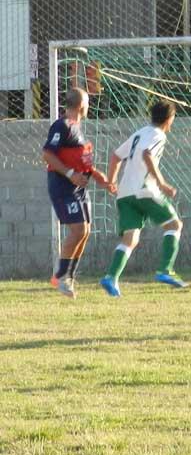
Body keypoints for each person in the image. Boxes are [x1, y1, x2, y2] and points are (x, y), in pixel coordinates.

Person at [99, 100, 186, 297]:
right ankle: (165, 270)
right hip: (144, 190)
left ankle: (111, 278)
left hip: (125, 194)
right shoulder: (158, 135)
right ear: (169, 119)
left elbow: (115, 156)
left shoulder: (140, 133)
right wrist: (162, 183)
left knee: (130, 239)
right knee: (174, 225)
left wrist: (112, 181)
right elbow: (147, 155)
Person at [42, 87, 114, 299]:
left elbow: (81, 162)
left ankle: (68, 277)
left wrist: (100, 177)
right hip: (63, 185)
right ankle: (61, 276)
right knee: (78, 230)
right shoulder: (61, 125)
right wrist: (71, 174)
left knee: (85, 231)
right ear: (82, 105)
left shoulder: (77, 128)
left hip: (79, 186)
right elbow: (47, 154)